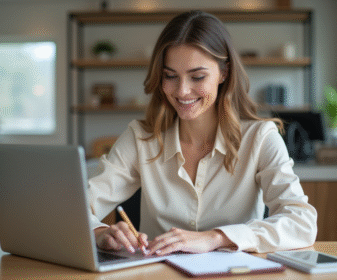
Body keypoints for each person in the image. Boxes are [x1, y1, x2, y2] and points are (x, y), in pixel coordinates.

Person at [88, 10, 317, 256]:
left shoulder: (260, 138)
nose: (182, 91)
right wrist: (99, 233)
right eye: (170, 76)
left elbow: (302, 223)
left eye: (197, 76)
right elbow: (75, 208)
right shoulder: (141, 138)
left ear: (224, 73)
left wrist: (216, 238)